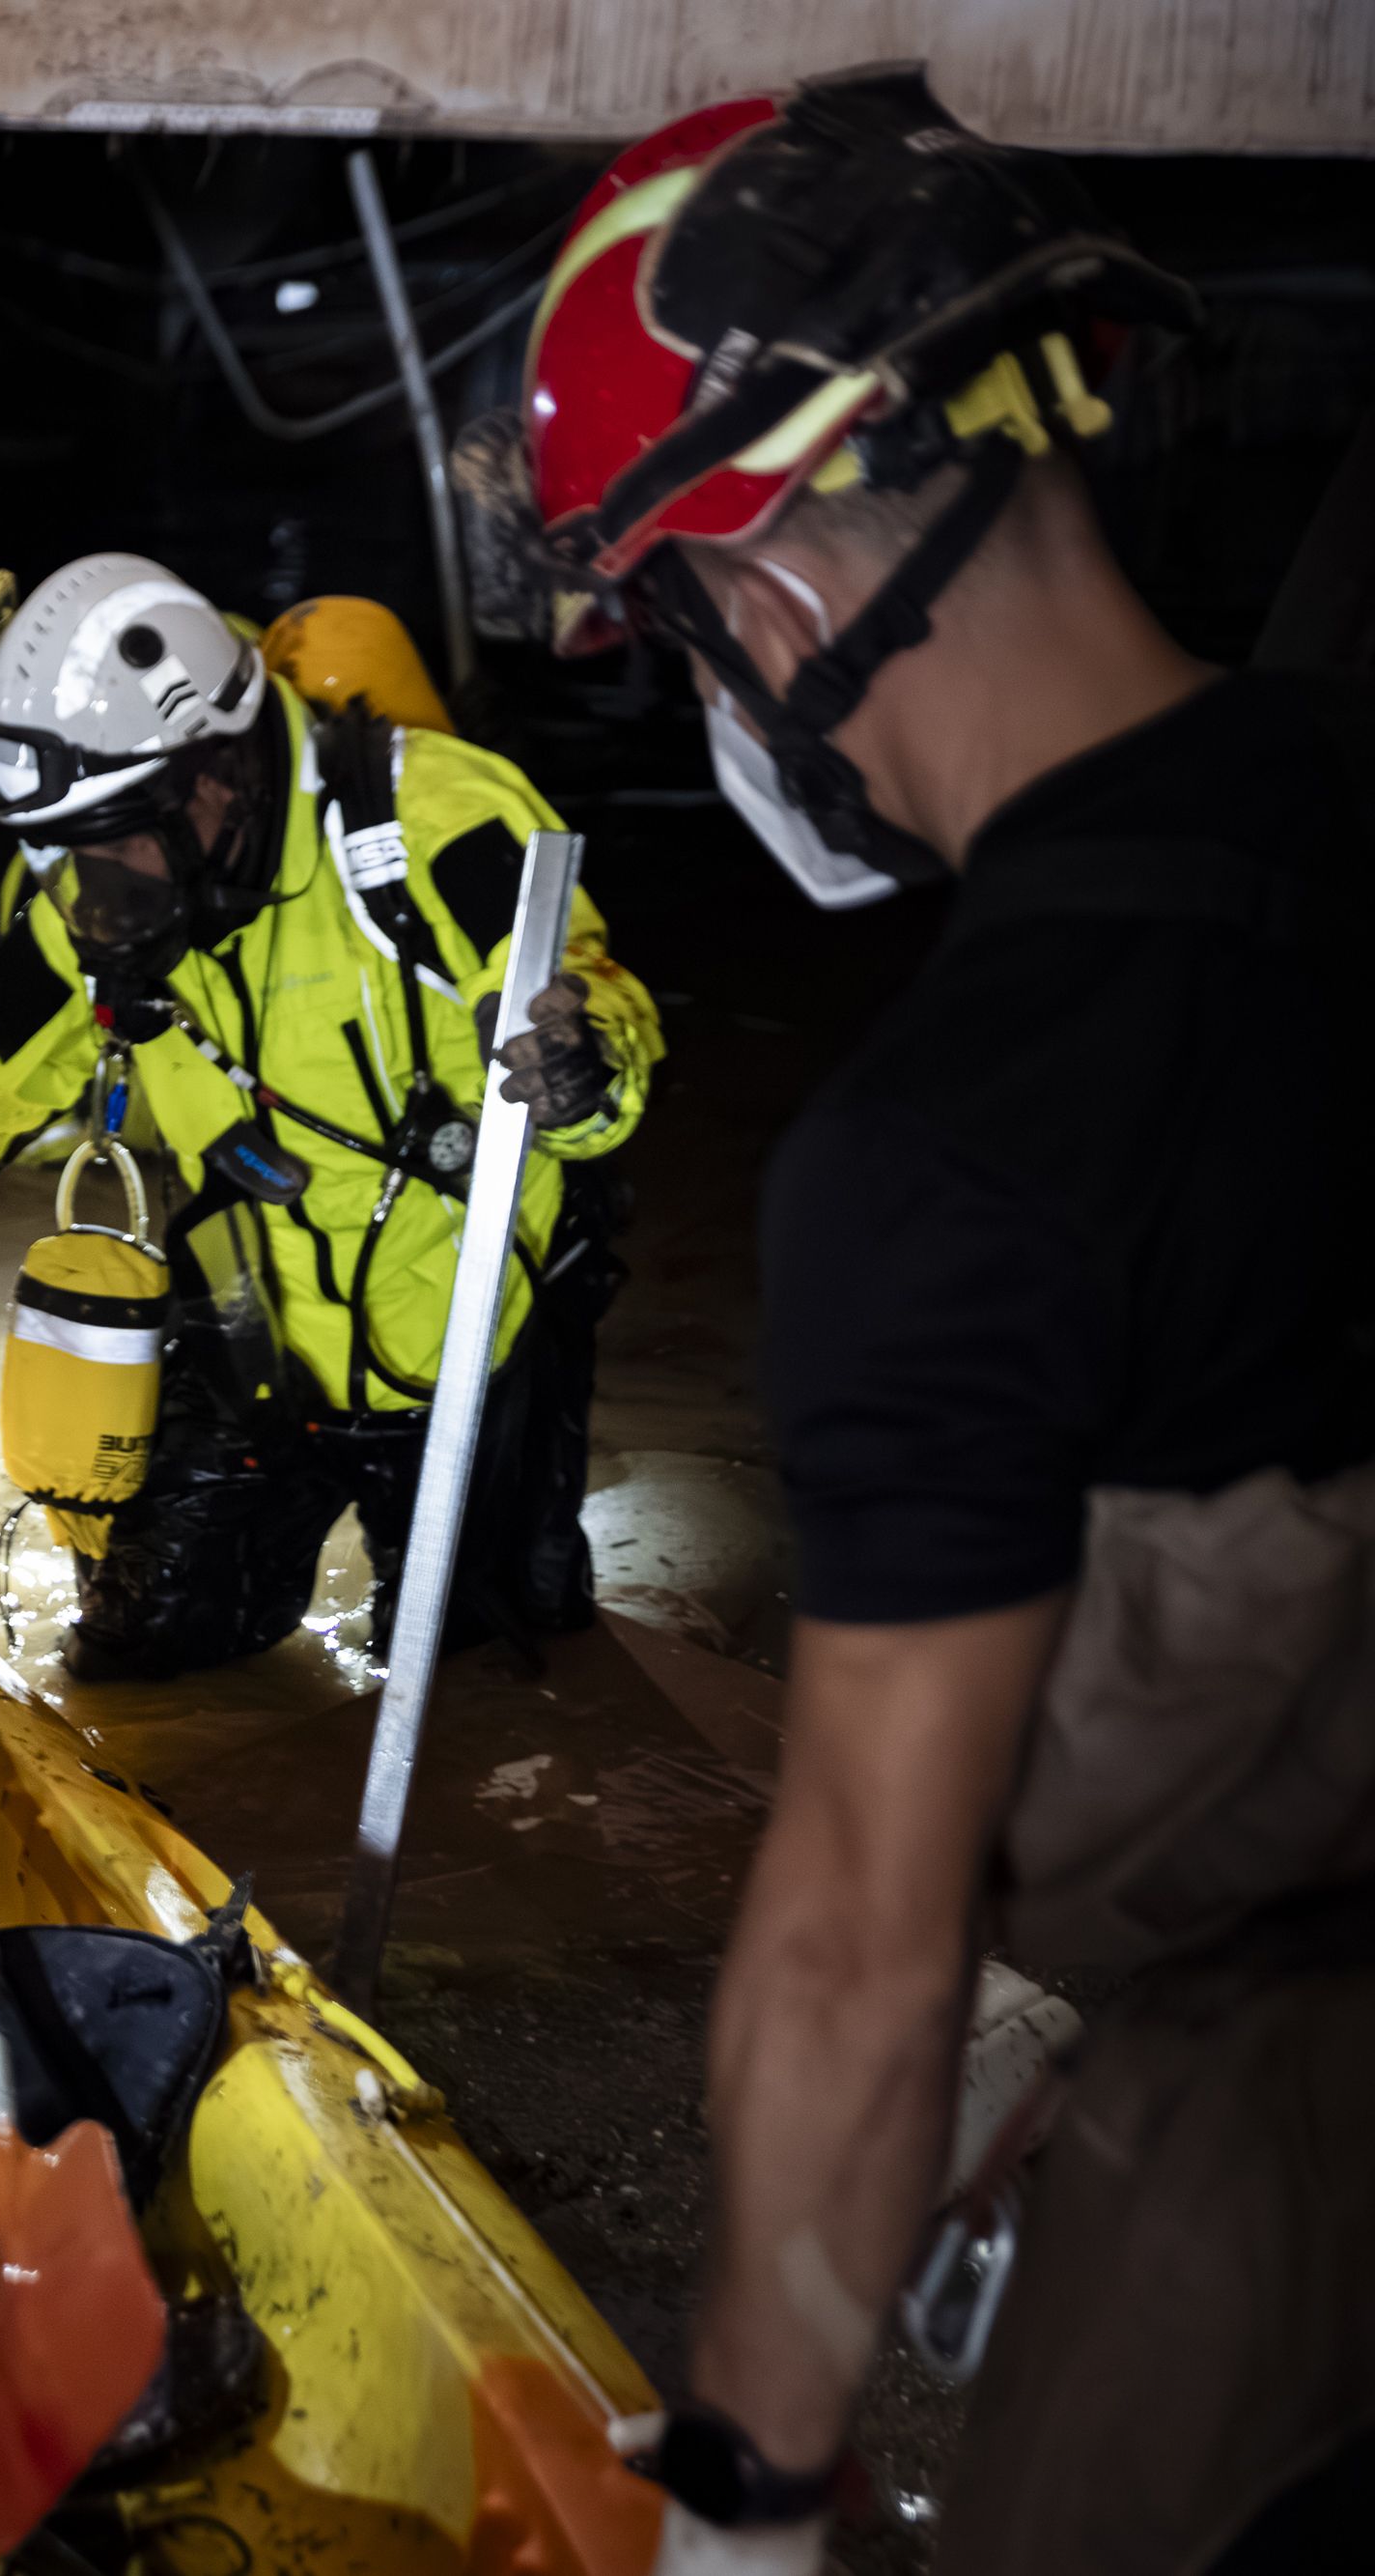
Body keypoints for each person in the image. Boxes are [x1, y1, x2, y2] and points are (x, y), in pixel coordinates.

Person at [512, 69, 1375, 2576]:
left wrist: (749, 2491)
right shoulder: (1341, 798)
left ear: (770, 595)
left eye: (681, 631)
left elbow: (855, 1950)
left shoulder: (947, 1158)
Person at [0, 555, 662, 1680]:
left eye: (109, 838)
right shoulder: (102, 905)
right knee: (139, 1658)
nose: (81, 892)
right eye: (56, 853)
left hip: (476, 1350)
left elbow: (596, 1025)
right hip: (256, 1338)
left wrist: (583, 1069)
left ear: (212, 777)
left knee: (494, 1689)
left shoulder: (439, 826)